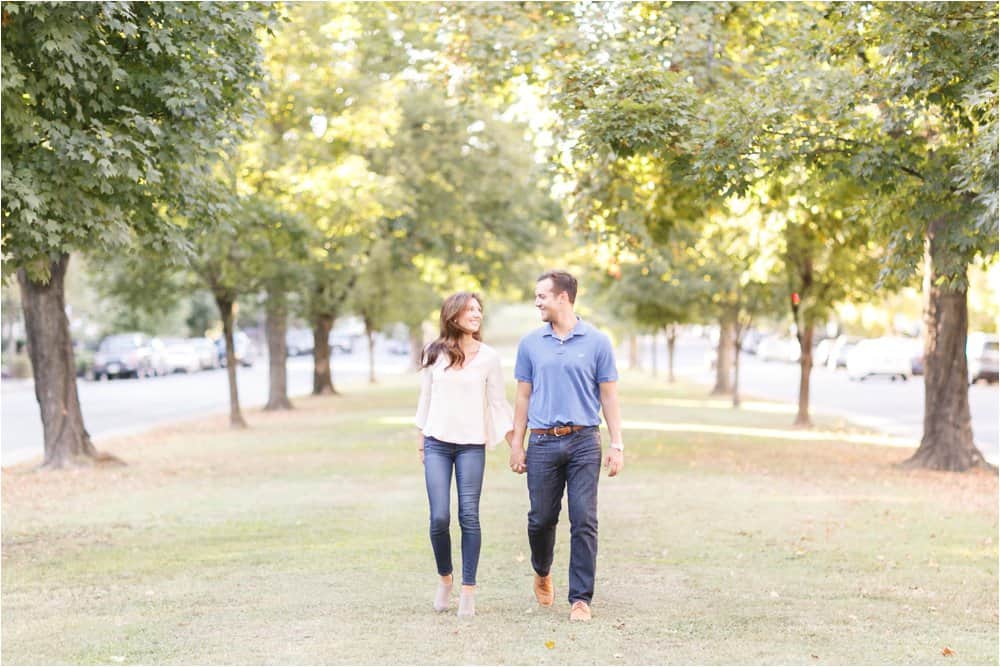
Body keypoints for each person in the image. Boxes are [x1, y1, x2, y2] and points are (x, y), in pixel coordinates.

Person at [508, 270, 624, 622]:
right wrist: (517, 442)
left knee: (584, 519)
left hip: (584, 440)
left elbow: (609, 395)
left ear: (563, 297)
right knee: (541, 519)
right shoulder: (530, 343)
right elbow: (523, 396)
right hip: (542, 441)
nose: (537, 302)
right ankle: (542, 570)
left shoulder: (598, 342)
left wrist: (616, 443)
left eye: (542, 295)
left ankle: (580, 599)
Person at [415, 291, 514, 617]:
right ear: (453, 315)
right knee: (439, 517)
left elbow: (498, 404)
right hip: (437, 443)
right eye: (469, 309)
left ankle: (468, 590)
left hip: (472, 445)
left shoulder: (488, 358)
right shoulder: (434, 353)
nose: (476, 314)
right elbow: (425, 399)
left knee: (468, 515)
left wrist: (515, 442)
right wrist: (420, 439)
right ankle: (446, 579)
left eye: (478, 309)